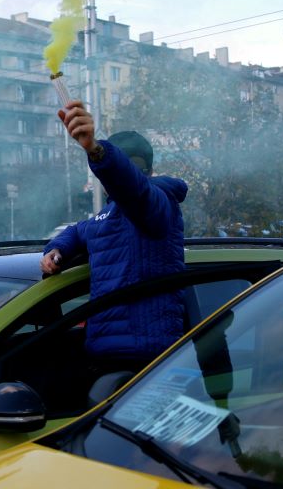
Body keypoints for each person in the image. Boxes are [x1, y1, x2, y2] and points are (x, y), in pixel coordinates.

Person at [41, 99, 187, 375]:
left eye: (135, 167)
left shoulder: (159, 202)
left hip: (147, 361)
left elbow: (136, 192)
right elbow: (78, 231)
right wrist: (57, 250)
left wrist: (96, 151)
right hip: (102, 356)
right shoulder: (104, 216)